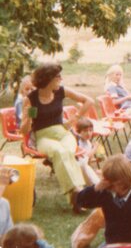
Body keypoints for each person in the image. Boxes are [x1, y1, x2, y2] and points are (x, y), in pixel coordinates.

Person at [19, 63, 93, 213]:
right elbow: (24, 131)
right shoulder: (31, 99)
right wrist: (27, 119)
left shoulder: (61, 91)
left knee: (65, 151)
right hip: (43, 136)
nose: (61, 79)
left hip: (63, 133)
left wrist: (74, 119)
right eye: (58, 76)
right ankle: (78, 193)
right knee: (60, 152)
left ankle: (76, 197)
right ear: (48, 79)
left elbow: (89, 101)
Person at [77, 154, 131, 247]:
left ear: (125, 181)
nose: (111, 188)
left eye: (113, 184)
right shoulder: (106, 194)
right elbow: (81, 201)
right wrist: (96, 188)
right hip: (113, 243)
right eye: (108, 184)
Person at [75, 118, 100, 186]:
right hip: (79, 167)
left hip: (85, 166)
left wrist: (96, 160)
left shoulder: (88, 142)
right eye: (85, 131)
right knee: (96, 183)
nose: (88, 133)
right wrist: (94, 148)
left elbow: (88, 160)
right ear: (79, 132)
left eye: (90, 130)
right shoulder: (78, 142)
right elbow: (86, 157)